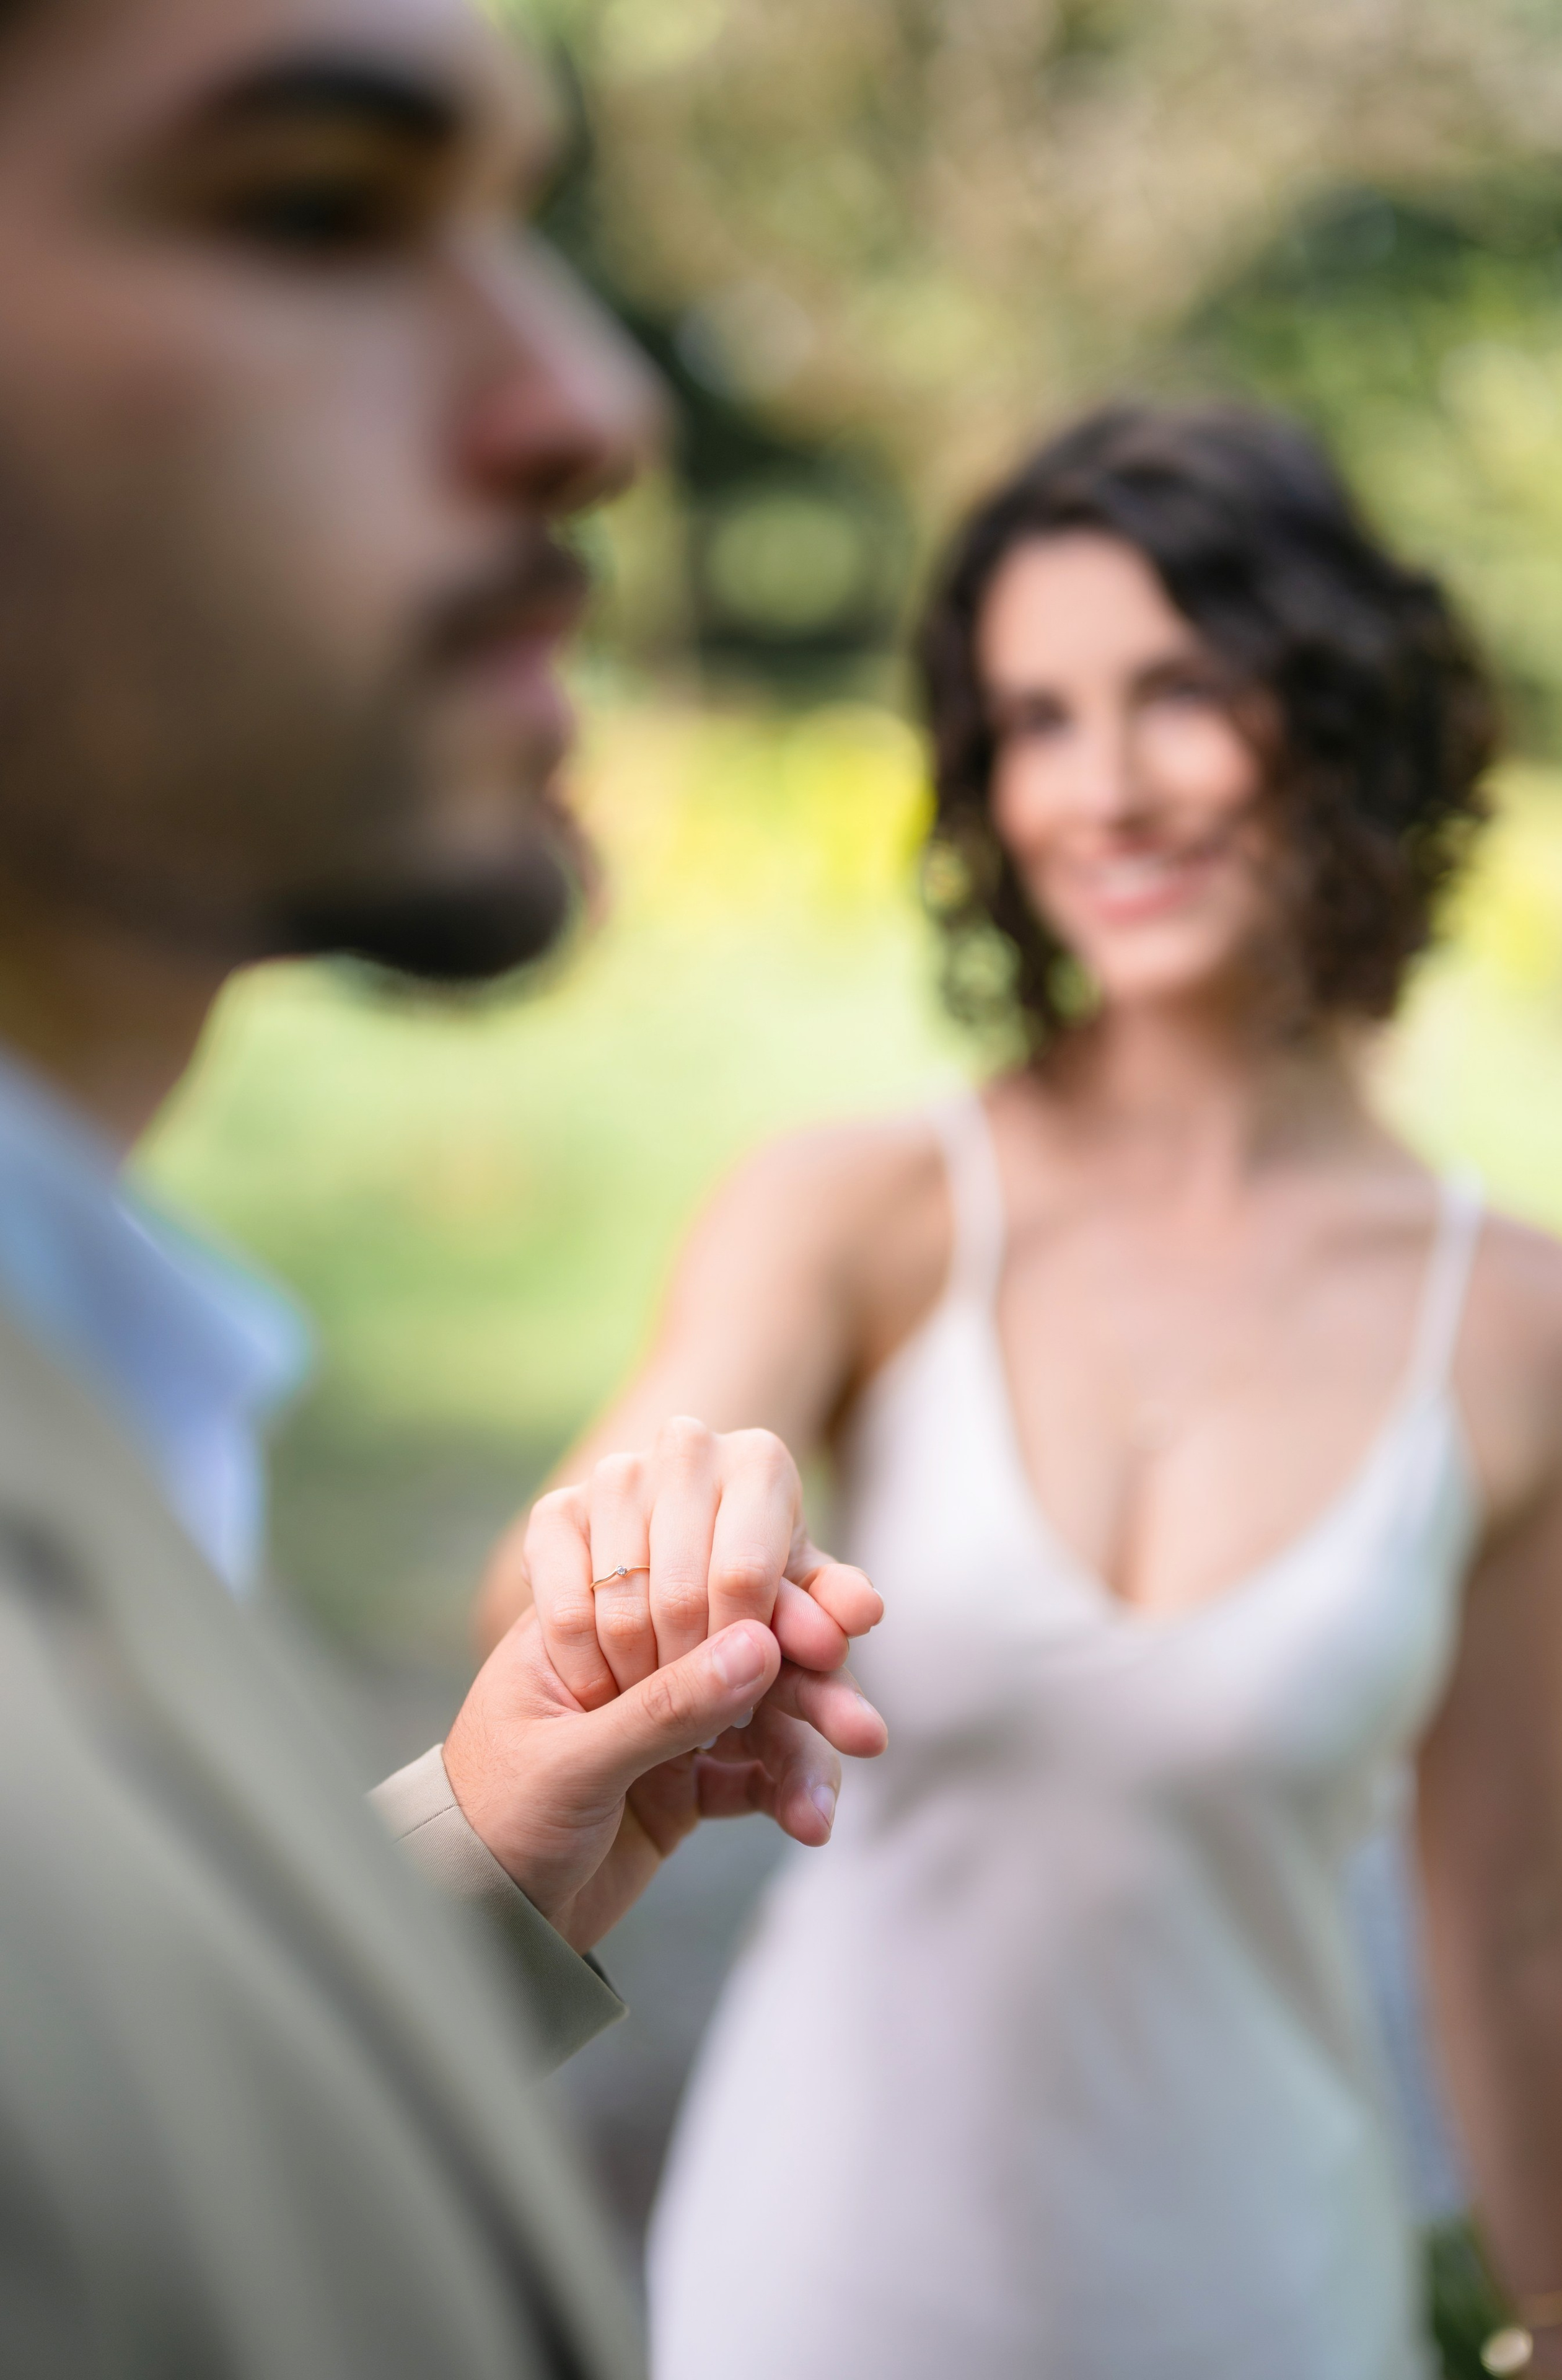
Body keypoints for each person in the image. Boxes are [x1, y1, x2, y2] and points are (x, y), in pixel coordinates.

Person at [481, 404, 1562, 2379]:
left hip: (1271, 2307)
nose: (1106, 791)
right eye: (1035, 724)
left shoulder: (1522, 1327)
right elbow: (541, 1594)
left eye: (1181, 693)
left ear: (1346, 716)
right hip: (817, 2302)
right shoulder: (861, 1210)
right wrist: (652, 1536)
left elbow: (1522, 1924)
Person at [0, 0, 888, 2373]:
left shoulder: (106, 1387)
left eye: (508, 219)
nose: (591, 405)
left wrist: (484, 1853)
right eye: (311, 208)